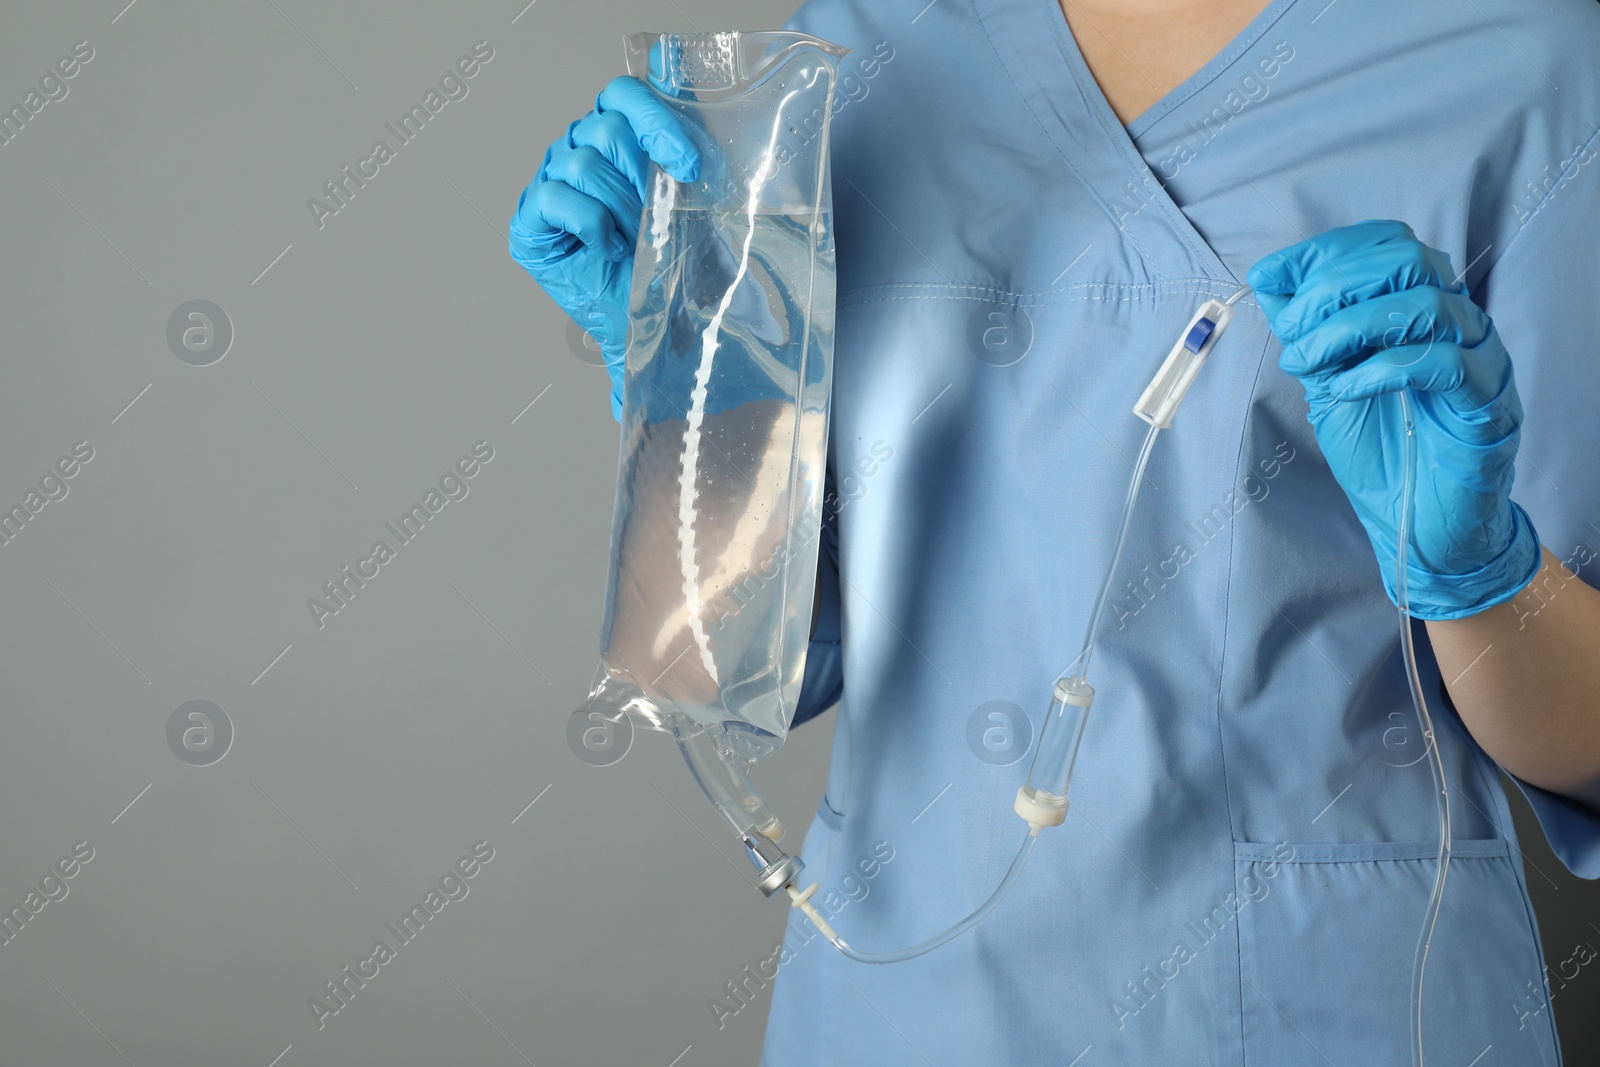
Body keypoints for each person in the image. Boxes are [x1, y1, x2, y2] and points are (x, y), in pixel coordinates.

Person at [509, 0, 1600, 1061]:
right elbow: (729, 669)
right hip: (908, 995)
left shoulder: (1521, 58)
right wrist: (684, 381)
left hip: (1326, 990)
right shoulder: (852, 46)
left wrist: (1479, 573)